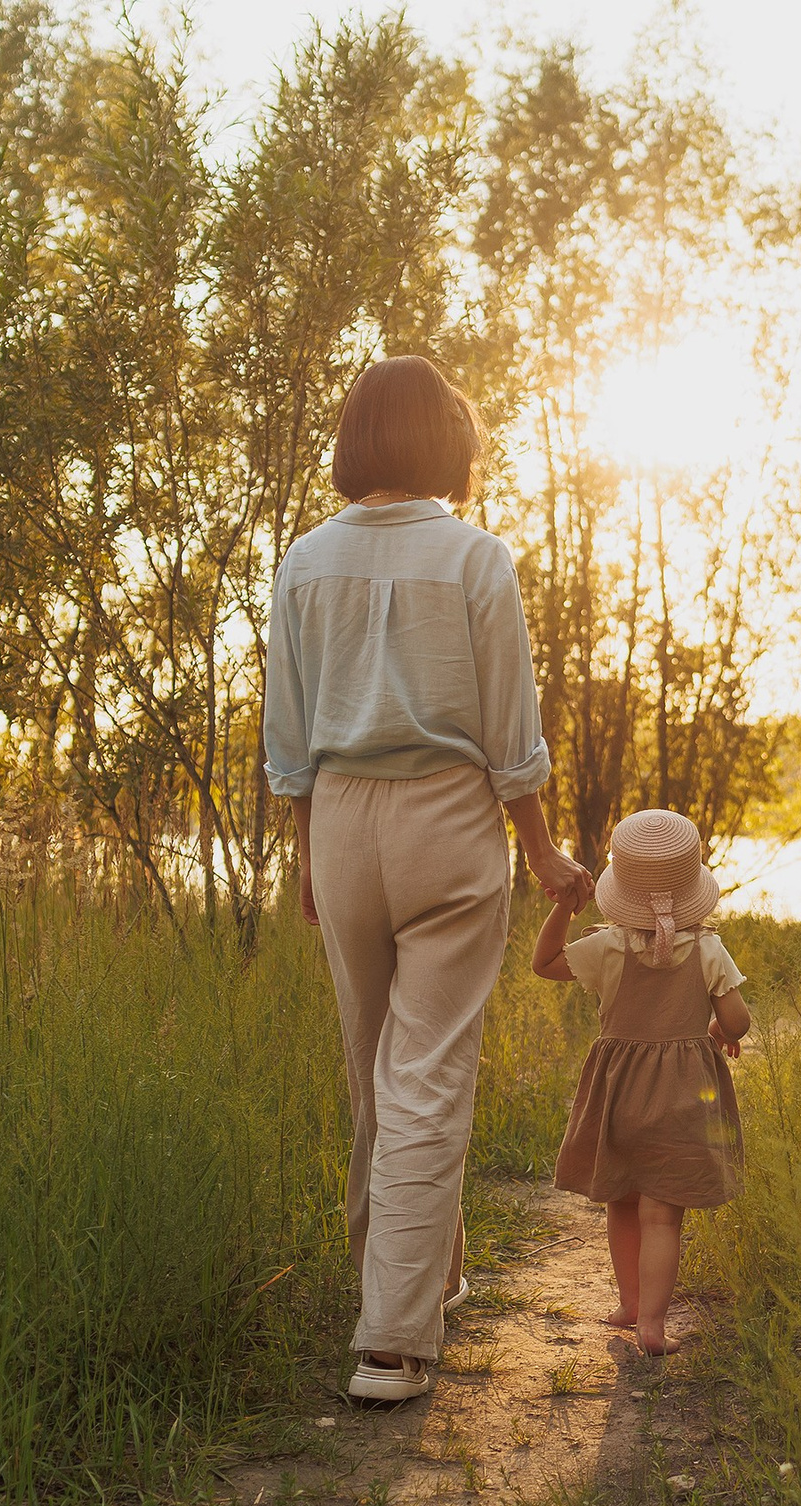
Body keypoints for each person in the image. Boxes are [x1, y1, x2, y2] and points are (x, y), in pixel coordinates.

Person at [263, 355, 593, 1404]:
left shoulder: (303, 560)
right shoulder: (473, 556)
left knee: (376, 1074)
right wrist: (540, 848)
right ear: (444, 439)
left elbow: (287, 739)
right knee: (428, 1074)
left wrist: (308, 853)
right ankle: (394, 1341)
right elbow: (510, 734)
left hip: (341, 821)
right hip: (447, 820)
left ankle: (420, 1281)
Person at [533, 808, 753, 1356]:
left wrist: (563, 907)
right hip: (683, 1099)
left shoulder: (606, 946)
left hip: (619, 1094)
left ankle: (629, 1304)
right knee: (662, 1215)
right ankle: (652, 1326)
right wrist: (714, 1030)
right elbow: (738, 1022)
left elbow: (545, 963)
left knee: (622, 1199)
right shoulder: (708, 948)